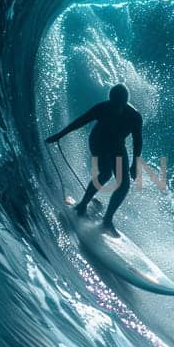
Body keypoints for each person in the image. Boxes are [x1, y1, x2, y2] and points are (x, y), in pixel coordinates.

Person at [47, 84, 143, 234]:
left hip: (118, 145)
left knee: (124, 185)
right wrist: (59, 135)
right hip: (99, 141)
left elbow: (138, 140)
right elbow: (79, 122)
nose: (116, 108)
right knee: (105, 173)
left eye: (119, 105)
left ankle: (107, 220)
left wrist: (134, 164)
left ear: (125, 102)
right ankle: (82, 205)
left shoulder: (135, 117)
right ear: (110, 101)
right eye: (113, 104)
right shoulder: (102, 108)